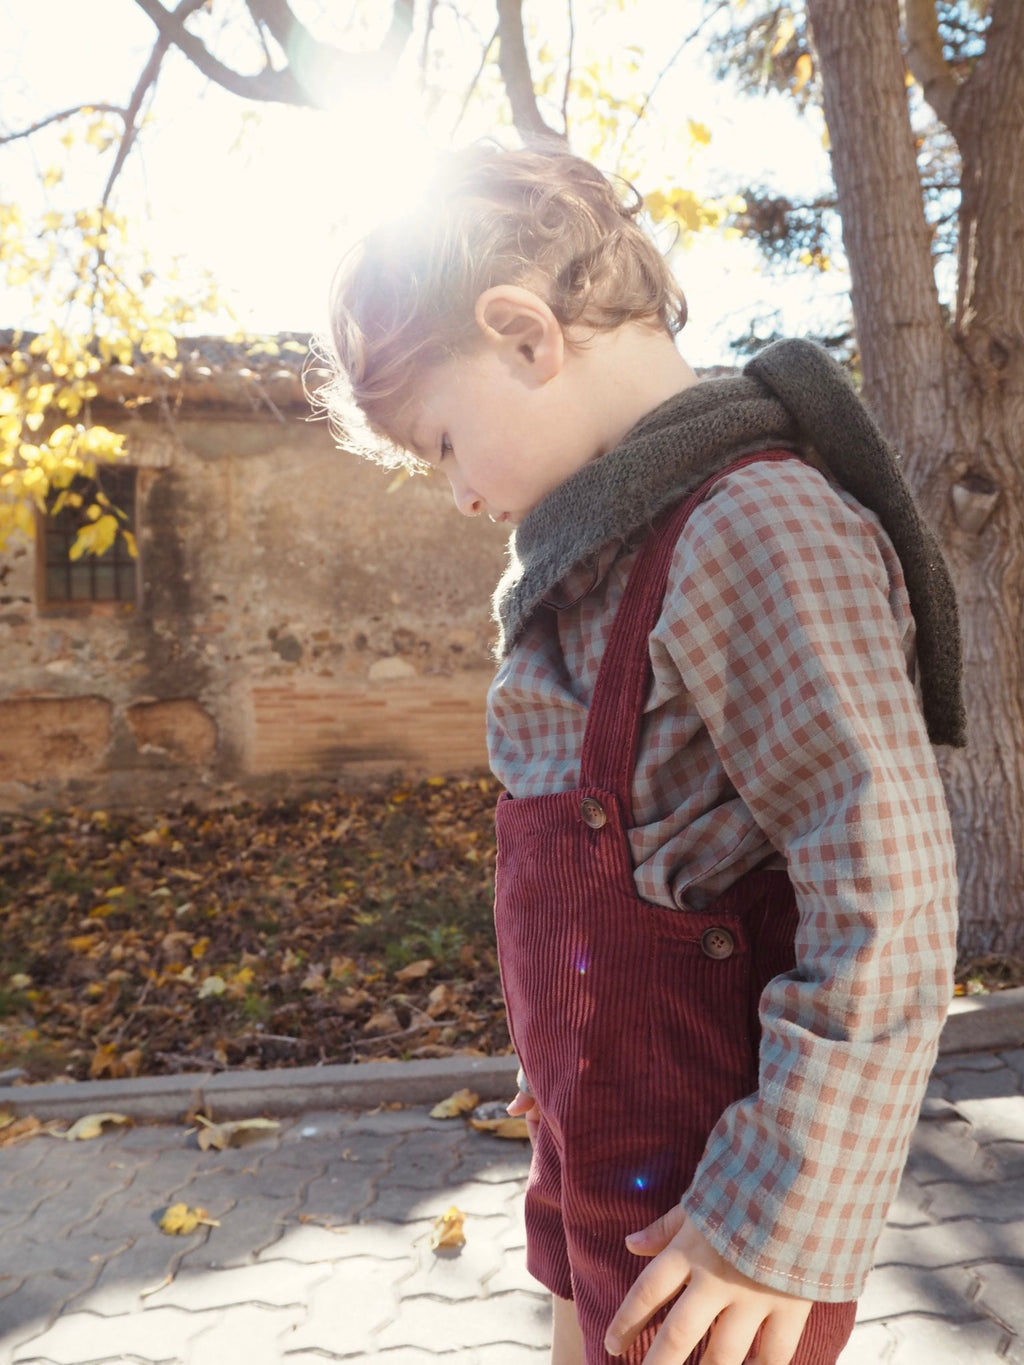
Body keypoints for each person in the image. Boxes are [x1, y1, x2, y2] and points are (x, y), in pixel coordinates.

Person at [314, 143, 964, 1365]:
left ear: (522, 335)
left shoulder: (755, 527)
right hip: (597, 1140)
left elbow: (894, 890)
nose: (456, 495)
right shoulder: (602, 557)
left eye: (444, 444)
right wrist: (562, 1045)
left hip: (717, 1215)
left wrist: (777, 1215)